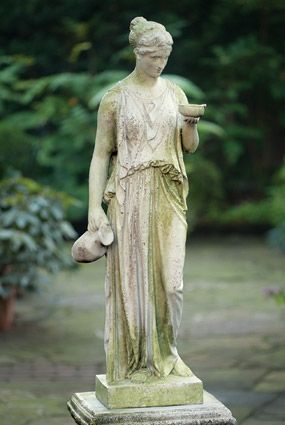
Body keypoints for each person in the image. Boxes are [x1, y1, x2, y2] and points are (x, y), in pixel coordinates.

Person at [88, 17, 199, 384]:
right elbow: (101, 156)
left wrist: (189, 126)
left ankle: (168, 355)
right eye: (153, 56)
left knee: (172, 283)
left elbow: (187, 147)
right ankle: (137, 363)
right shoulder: (115, 98)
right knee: (132, 287)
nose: (160, 64)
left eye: (165, 57)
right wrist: (93, 210)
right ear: (137, 53)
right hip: (129, 195)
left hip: (168, 193)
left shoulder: (175, 94)